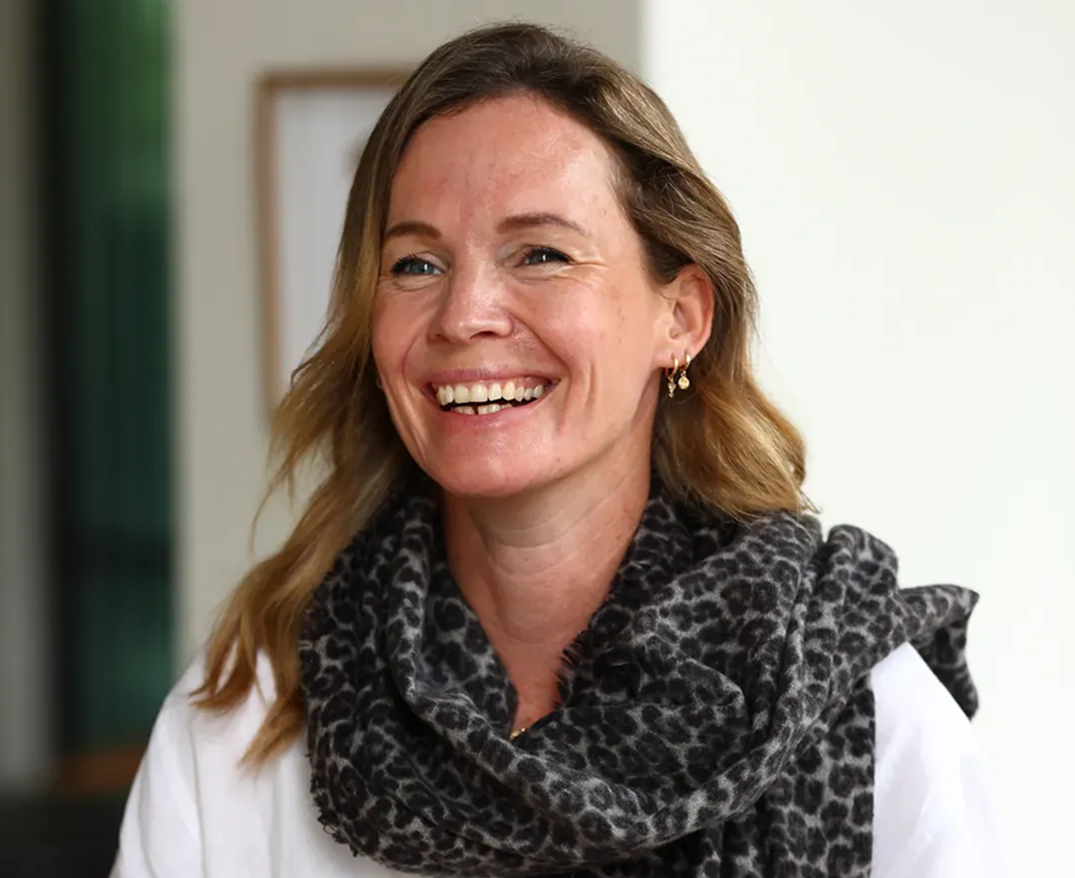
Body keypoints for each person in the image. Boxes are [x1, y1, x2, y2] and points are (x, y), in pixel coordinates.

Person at [111, 22, 1008, 878]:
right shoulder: (255, 706)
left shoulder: (862, 709)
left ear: (680, 317)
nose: (464, 315)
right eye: (415, 264)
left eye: (539, 253)